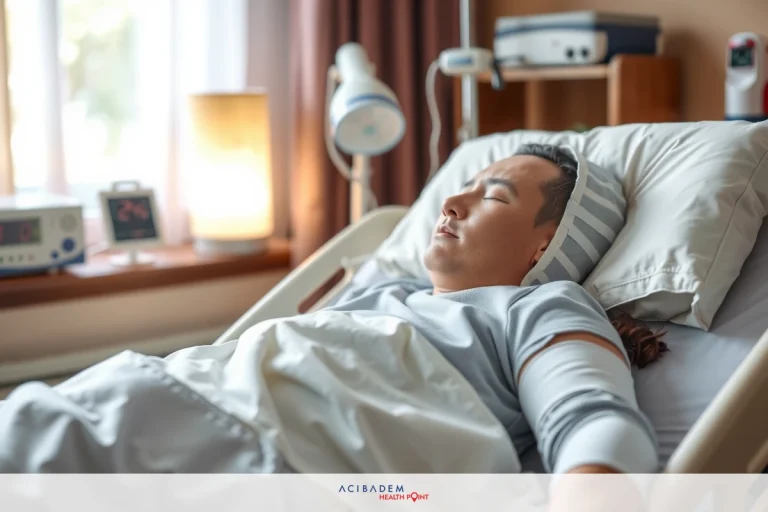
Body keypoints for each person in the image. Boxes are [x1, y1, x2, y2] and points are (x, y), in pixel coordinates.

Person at [0, 144, 666, 476]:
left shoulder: (543, 307)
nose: (451, 204)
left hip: (260, 453)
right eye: (459, 188)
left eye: (491, 196)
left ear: (547, 242)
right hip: (152, 393)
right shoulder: (384, 297)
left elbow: (594, 425)